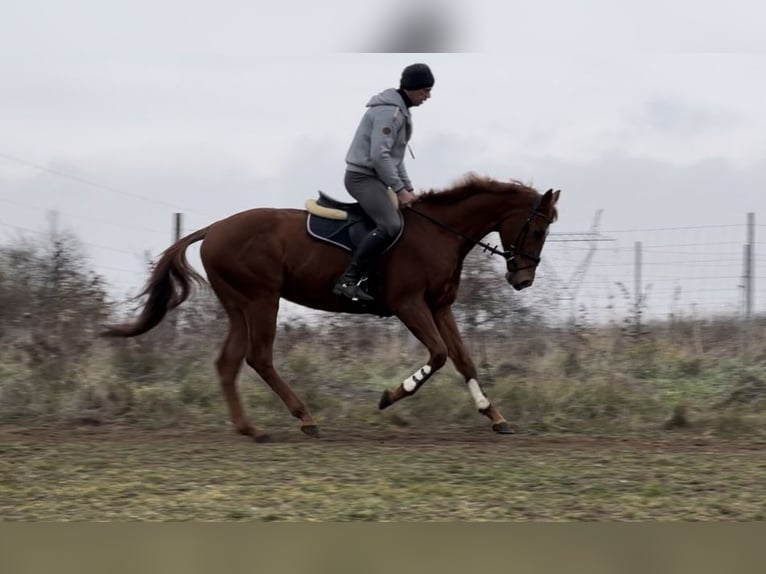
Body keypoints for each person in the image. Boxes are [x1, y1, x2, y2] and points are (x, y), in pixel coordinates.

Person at [333, 63, 435, 303]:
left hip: (377, 179)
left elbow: (396, 160)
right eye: (425, 91)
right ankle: (349, 279)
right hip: (362, 178)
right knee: (391, 225)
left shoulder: (400, 111)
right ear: (412, 89)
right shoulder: (390, 113)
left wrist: (409, 189)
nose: (428, 96)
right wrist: (399, 191)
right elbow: (380, 156)